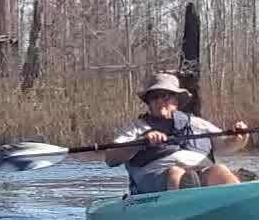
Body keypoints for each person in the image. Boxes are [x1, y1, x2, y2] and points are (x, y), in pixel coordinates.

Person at [103, 73, 250, 194]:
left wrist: (240, 137)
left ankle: (241, 203)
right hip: (157, 177)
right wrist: (140, 141)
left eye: (165, 96)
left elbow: (227, 146)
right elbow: (111, 158)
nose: (159, 101)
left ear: (176, 100)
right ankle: (187, 209)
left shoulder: (197, 123)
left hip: (200, 171)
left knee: (219, 170)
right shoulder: (136, 127)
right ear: (148, 102)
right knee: (176, 174)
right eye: (154, 97)